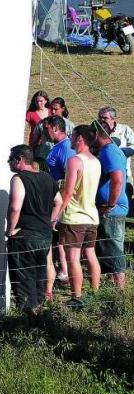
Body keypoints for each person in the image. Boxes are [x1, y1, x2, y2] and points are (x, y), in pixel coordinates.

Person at [5, 145, 60, 312]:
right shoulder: (47, 177)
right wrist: (51, 221)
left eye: (10, 159)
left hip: (24, 237)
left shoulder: (19, 178)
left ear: (19, 160)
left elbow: (15, 207)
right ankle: (39, 317)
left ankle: (26, 320)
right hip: (44, 236)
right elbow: (58, 201)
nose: (8, 163)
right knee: (38, 279)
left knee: (23, 283)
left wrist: (10, 230)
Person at [58, 125, 101, 307]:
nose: (71, 139)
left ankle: (77, 297)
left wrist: (57, 214)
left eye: (73, 135)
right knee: (90, 253)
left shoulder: (75, 160)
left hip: (75, 216)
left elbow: (68, 193)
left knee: (73, 258)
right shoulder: (96, 161)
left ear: (80, 139)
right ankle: (95, 291)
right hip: (92, 215)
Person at [93, 121, 127, 290]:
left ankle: (120, 291)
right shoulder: (107, 151)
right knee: (108, 248)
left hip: (113, 209)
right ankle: (114, 287)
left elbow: (118, 179)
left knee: (114, 249)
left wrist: (110, 204)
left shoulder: (110, 151)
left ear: (98, 134)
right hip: (110, 208)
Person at [43, 115, 75, 282]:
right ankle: (63, 269)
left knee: (61, 234)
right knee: (58, 235)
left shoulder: (66, 147)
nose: (44, 132)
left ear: (55, 128)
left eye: (47, 128)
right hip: (55, 194)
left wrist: (61, 202)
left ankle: (66, 270)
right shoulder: (57, 146)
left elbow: (69, 175)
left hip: (61, 197)